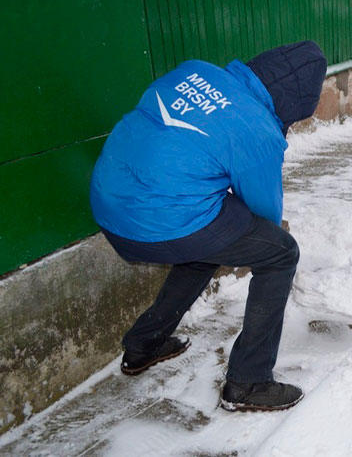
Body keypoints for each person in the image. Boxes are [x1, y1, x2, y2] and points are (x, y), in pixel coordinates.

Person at [89, 40, 327, 412]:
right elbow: (264, 215)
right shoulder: (258, 129)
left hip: (108, 201)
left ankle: (143, 345)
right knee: (280, 253)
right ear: (295, 105)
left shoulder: (195, 70)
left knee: (210, 241)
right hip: (159, 216)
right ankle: (248, 381)